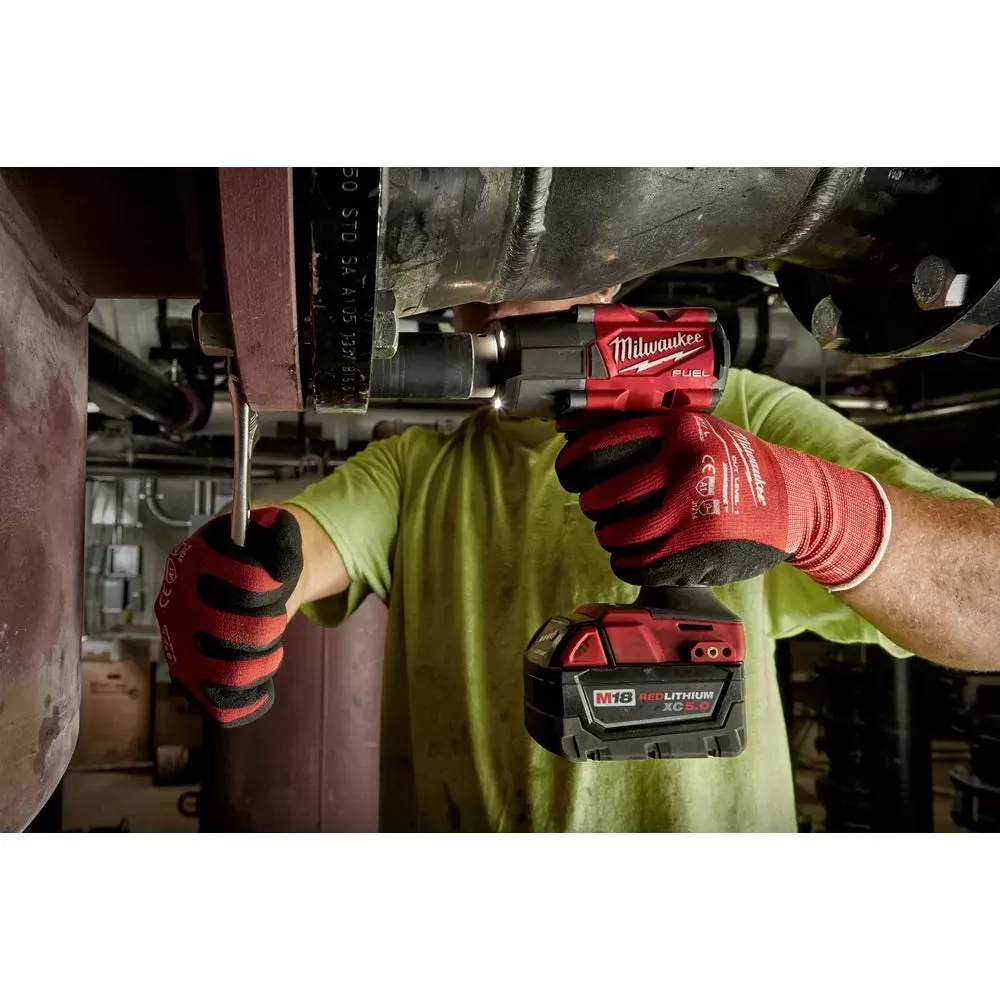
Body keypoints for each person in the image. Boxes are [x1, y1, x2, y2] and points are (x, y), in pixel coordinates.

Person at [154, 291, 1000, 832]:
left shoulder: (740, 414)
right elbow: (297, 548)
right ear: (459, 305)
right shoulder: (414, 471)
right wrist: (239, 581)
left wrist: (814, 509)